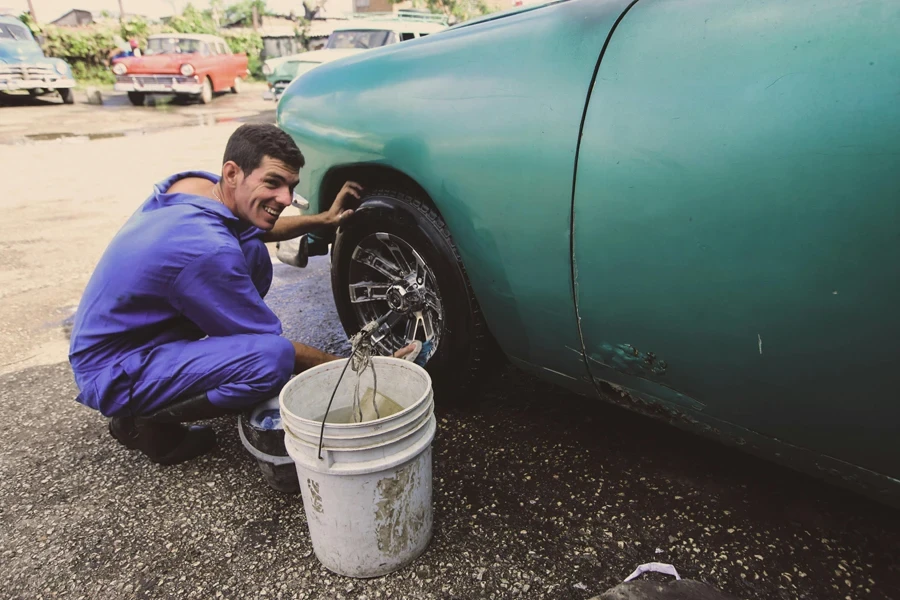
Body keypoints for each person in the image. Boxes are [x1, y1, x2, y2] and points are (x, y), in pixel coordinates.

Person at [69, 123, 414, 465]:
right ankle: (143, 420)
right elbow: (279, 349)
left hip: (130, 332)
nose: (285, 199)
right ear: (232, 172)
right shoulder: (208, 250)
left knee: (249, 249)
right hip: (114, 371)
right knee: (268, 360)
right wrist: (361, 369)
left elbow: (249, 226)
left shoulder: (198, 187)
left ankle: (192, 369)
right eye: (273, 183)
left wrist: (321, 220)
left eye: (290, 187)